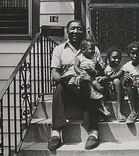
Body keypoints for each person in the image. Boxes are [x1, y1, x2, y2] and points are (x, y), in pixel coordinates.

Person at [48, 20, 102, 150]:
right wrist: (60, 78)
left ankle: (93, 132)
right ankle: (56, 133)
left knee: (89, 86)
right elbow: (54, 71)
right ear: (67, 31)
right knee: (60, 87)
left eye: (79, 29)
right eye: (72, 28)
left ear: (83, 32)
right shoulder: (59, 49)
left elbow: (100, 69)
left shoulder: (93, 49)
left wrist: (94, 73)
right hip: (69, 88)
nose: (75, 31)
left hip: (86, 87)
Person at [69, 39, 110, 116]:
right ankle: (93, 95)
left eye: (94, 49)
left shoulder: (94, 59)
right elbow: (76, 67)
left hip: (92, 77)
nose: (93, 51)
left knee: (100, 88)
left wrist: (102, 66)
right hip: (83, 76)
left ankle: (103, 106)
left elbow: (98, 67)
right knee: (88, 81)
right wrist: (81, 72)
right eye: (91, 49)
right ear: (83, 50)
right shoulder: (80, 58)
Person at [97, 47, 126, 122]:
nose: (117, 60)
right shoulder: (105, 68)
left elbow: (117, 76)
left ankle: (119, 112)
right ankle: (102, 109)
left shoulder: (122, 68)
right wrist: (101, 76)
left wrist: (105, 78)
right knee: (98, 83)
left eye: (119, 58)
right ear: (108, 58)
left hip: (118, 93)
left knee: (116, 81)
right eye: (114, 58)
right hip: (108, 93)